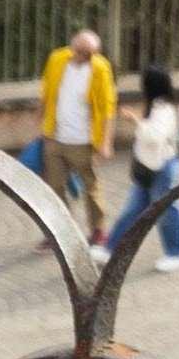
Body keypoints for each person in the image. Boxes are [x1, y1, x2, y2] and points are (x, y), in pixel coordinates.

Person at [103, 66, 179, 271]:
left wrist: (135, 120)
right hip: (149, 167)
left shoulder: (165, 109)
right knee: (134, 210)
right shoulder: (156, 106)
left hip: (162, 168)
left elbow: (154, 137)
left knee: (167, 210)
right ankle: (111, 248)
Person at [39, 22, 117, 229]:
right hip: (55, 137)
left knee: (91, 189)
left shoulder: (100, 69)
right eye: (81, 51)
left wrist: (106, 143)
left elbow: (107, 108)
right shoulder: (57, 59)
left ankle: (98, 230)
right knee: (54, 187)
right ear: (73, 46)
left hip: (83, 141)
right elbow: (46, 92)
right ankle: (63, 230)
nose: (84, 57)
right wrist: (42, 125)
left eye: (90, 54)